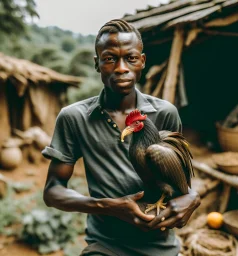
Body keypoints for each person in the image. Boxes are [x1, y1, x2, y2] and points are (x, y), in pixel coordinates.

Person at [42, 19, 200, 256]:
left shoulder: (165, 113)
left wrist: (192, 197)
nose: (121, 68)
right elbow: (52, 191)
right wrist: (107, 206)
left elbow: (182, 177)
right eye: (109, 58)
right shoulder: (74, 117)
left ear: (142, 62)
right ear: (97, 64)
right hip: (105, 244)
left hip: (159, 243)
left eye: (131, 58)